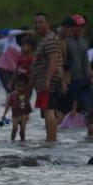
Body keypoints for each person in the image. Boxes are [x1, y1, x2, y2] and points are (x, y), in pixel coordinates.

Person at [30, 13, 63, 142]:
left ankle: (51, 141)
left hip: (49, 81)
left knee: (49, 111)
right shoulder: (46, 39)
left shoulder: (49, 39)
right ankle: (50, 140)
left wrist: (47, 79)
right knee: (47, 111)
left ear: (47, 23)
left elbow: (53, 61)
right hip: (44, 81)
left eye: (41, 22)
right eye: (36, 23)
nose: (38, 25)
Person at [0, 73, 32, 142]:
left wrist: (28, 115)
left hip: (23, 115)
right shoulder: (12, 95)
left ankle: (22, 141)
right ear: (15, 85)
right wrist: (4, 115)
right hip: (15, 115)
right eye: (18, 86)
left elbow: (28, 105)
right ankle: (12, 141)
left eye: (22, 86)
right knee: (15, 129)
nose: (20, 88)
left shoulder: (25, 95)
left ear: (26, 86)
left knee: (22, 131)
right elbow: (8, 105)